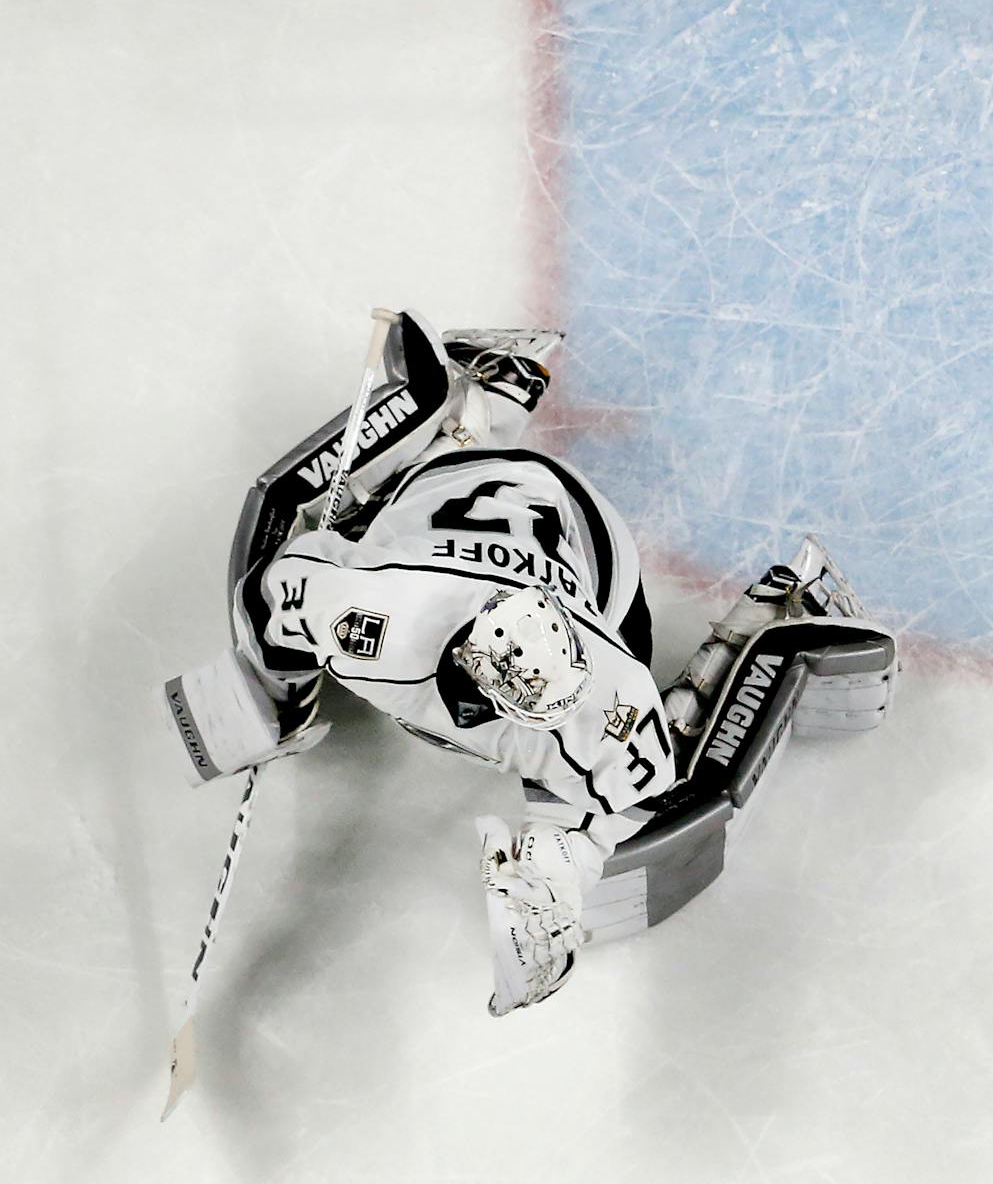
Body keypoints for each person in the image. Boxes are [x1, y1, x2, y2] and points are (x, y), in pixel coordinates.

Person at [161, 312, 896, 1016]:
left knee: (657, 765)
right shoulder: (380, 621)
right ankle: (485, 395)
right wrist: (275, 689)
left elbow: (621, 801)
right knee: (371, 505)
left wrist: (551, 885)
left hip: (589, 541)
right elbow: (275, 580)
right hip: (460, 503)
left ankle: (776, 608)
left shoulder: (604, 692)